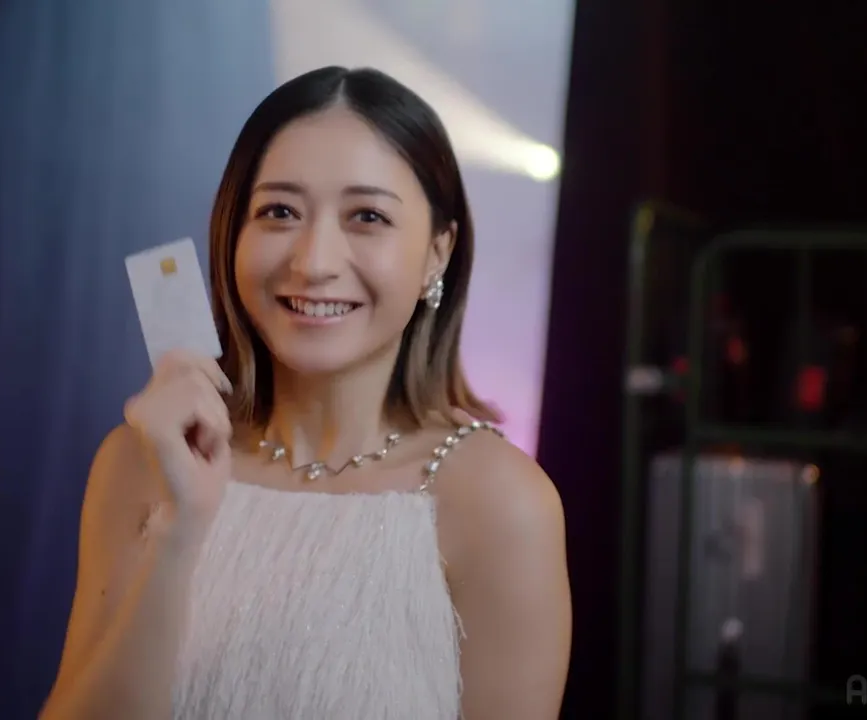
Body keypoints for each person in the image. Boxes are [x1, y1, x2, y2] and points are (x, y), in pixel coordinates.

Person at [41, 66, 571, 720]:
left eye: (367, 217)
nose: (314, 261)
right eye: (280, 212)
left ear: (438, 252)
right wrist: (178, 531)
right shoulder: (139, 461)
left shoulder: (501, 502)